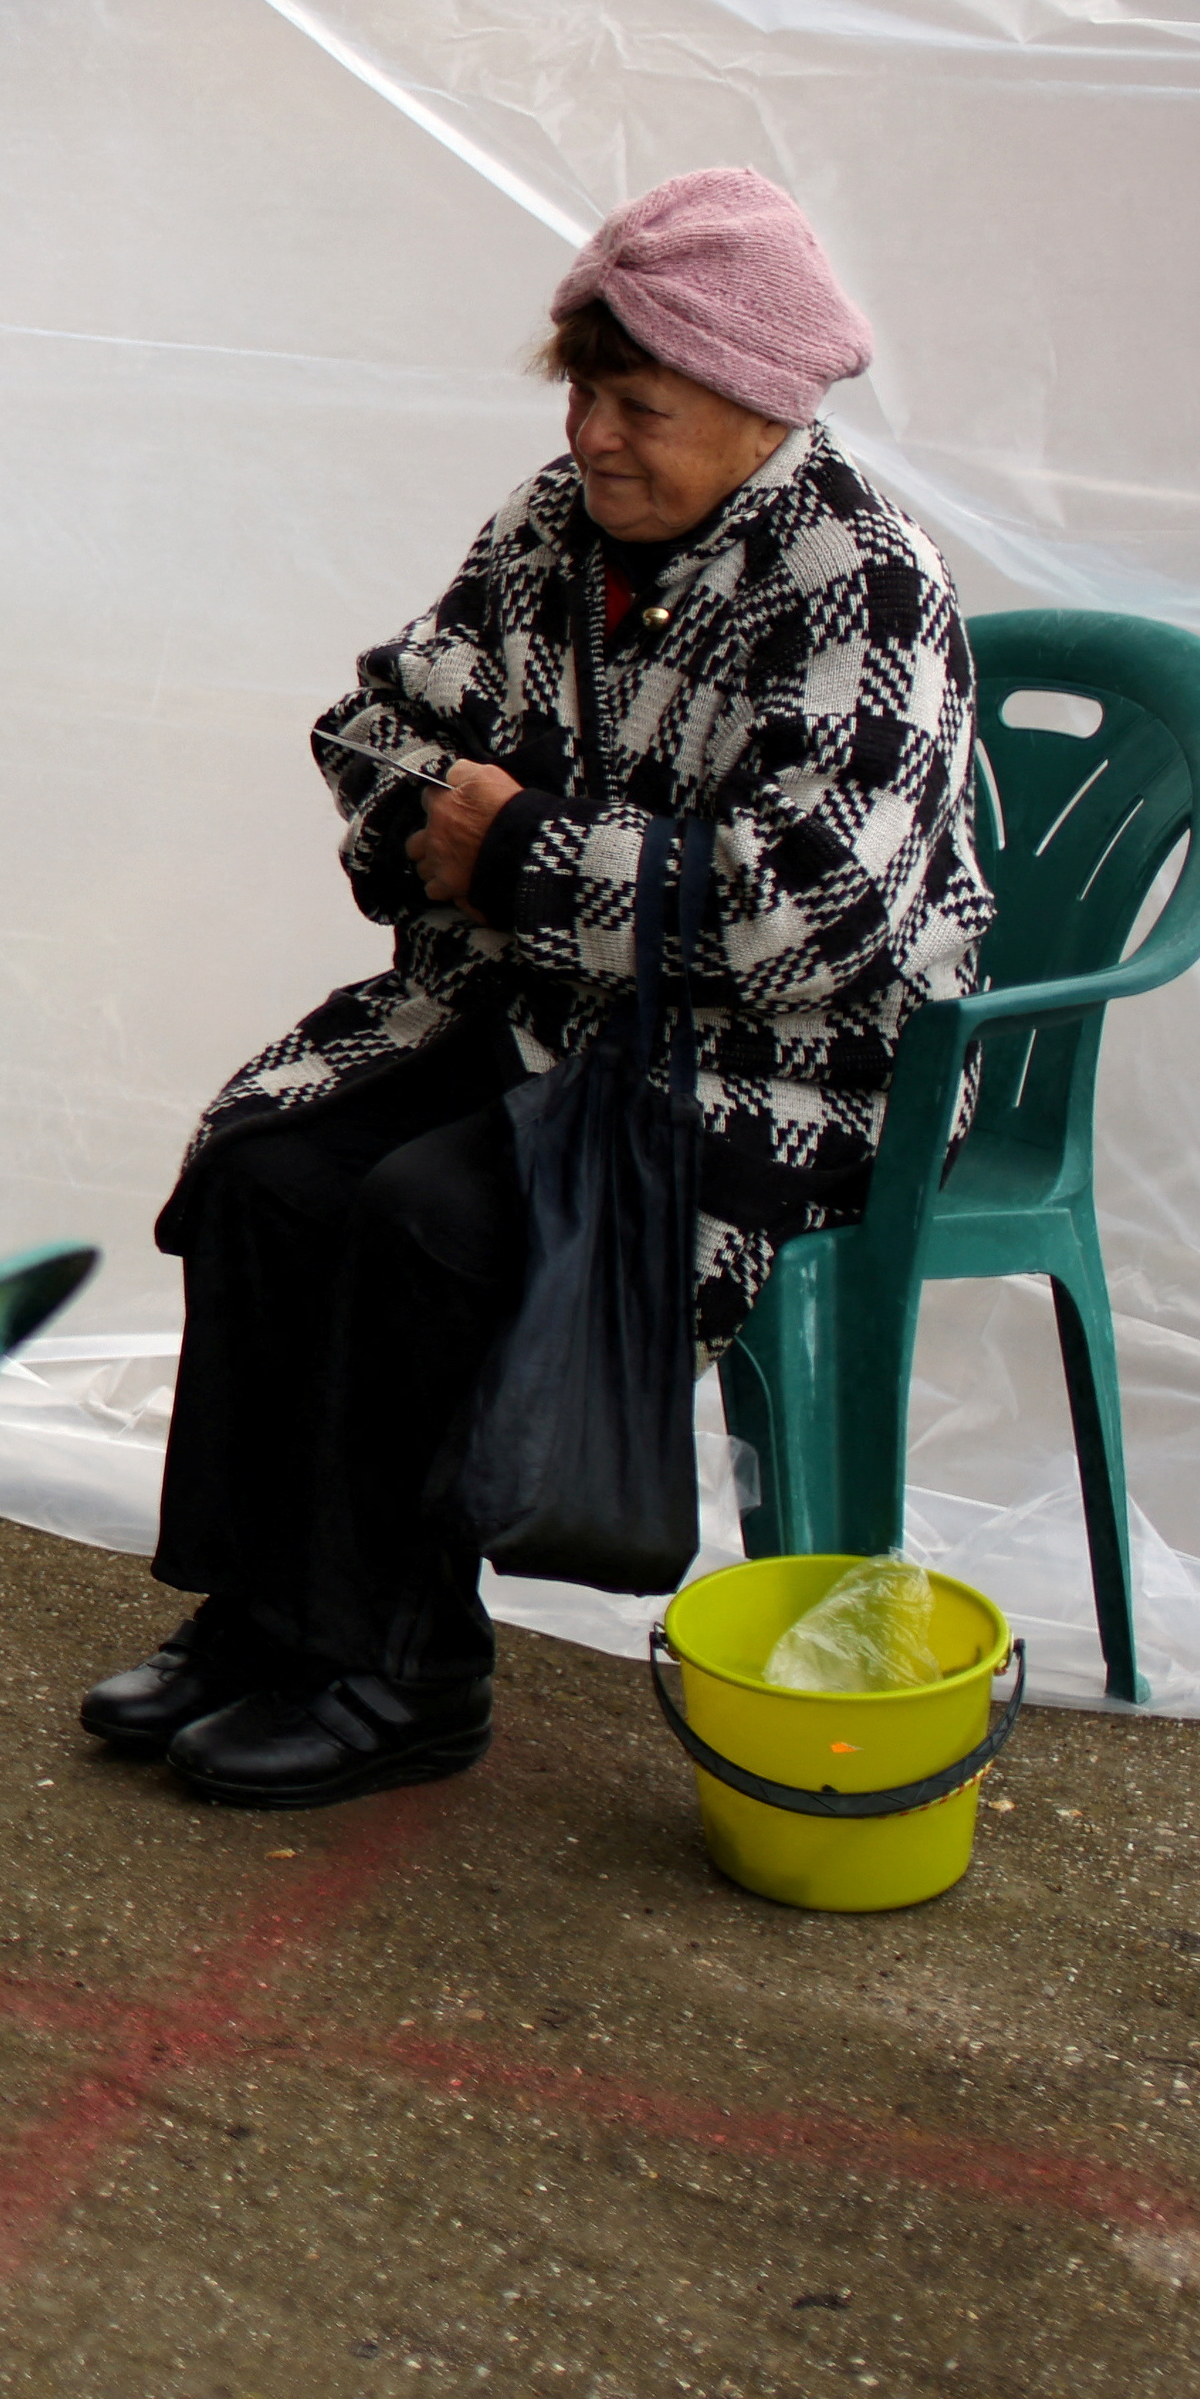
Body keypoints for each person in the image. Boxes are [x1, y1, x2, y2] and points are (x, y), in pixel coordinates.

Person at [86, 170, 988, 1809]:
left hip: (789, 1076)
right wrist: (454, 833)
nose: (592, 434)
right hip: (543, 1018)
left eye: (635, 403)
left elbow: (816, 913)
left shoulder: (861, 578)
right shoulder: (546, 534)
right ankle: (266, 1614)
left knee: (432, 1219)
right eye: (582, 392)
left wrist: (515, 857)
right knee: (269, 1174)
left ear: (754, 404)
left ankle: (403, 1665)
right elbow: (380, 725)